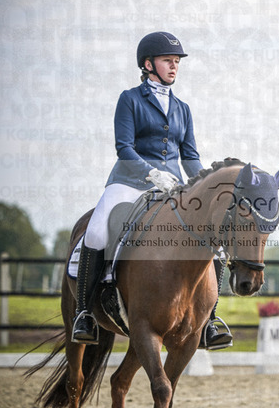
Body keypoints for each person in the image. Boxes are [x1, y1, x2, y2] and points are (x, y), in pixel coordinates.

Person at [72, 31, 232, 350]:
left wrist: (206, 185)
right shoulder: (130, 99)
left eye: (177, 62)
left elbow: (190, 155)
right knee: (97, 232)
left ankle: (210, 319)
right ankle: (84, 313)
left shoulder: (182, 108)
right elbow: (124, 147)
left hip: (174, 186)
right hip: (129, 182)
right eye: (167, 61)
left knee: (215, 241)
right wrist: (152, 173)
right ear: (148, 64)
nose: (174, 66)